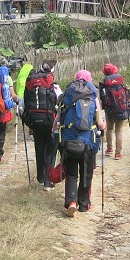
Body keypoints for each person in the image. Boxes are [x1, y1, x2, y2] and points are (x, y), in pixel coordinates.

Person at [54, 70, 106, 217]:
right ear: (89, 80)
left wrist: (55, 133)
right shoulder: (93, 97)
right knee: (86, 173)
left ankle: (71, 202)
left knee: (71, 173)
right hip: (88, 143)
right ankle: (83, 204)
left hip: (68, 141)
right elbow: (101, 125)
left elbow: (58, 120)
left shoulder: (67, 95)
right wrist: (103, 126)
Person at [22, 60, 59, 190]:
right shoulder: (53, 85)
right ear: (52, 71)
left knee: (39, 148)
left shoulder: (31, 82)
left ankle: (40, 177)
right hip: (50, 122)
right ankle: (48, 182)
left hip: (34, 122)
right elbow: (60, 103)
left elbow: (22, 105)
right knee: (50, 150)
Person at [99, 62, 130, 160]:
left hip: (110, 110)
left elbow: (102, 98)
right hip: (122, 108)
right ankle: (118, 153)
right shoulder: (120, 81)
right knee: (119, 131)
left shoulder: (105, 83)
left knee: (109, 129)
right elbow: (128, 95)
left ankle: (109, 149)